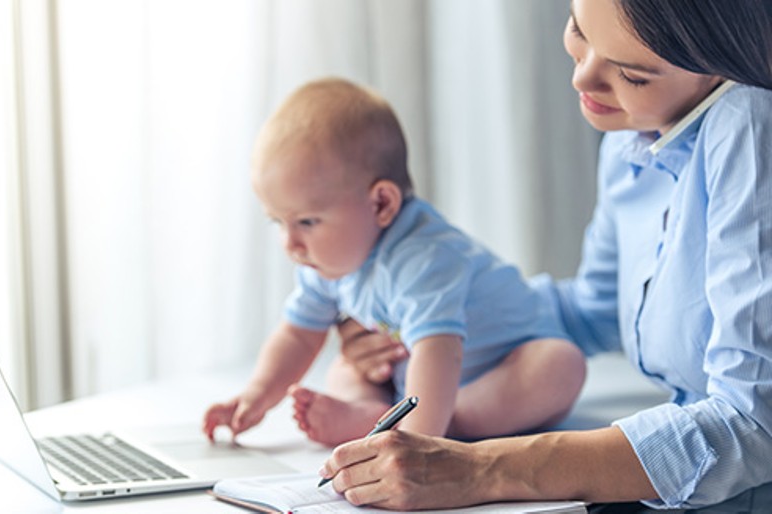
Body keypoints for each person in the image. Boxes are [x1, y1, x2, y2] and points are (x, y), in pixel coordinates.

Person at [319, 0, 772, 510]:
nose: (584, 77)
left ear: (733, 63)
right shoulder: (638, 141)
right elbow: (593, 312)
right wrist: (433, 323)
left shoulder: (751, 123)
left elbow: (755, 423)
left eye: (631, 75)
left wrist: (483, 469)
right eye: (579, 32)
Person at [202, 78, 586, 448]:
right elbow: (298, 335)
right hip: (416, 384)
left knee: (560, 364)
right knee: (346, 368)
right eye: (278, 222)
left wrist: (417, 445)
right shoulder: (327, 261)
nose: (291, 244)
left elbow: (439, 353)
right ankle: (376, 415)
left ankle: (418, 427)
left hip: (497, 373)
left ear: (381, 204)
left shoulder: (424, 258)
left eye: (306, 222)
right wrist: (255, 397)